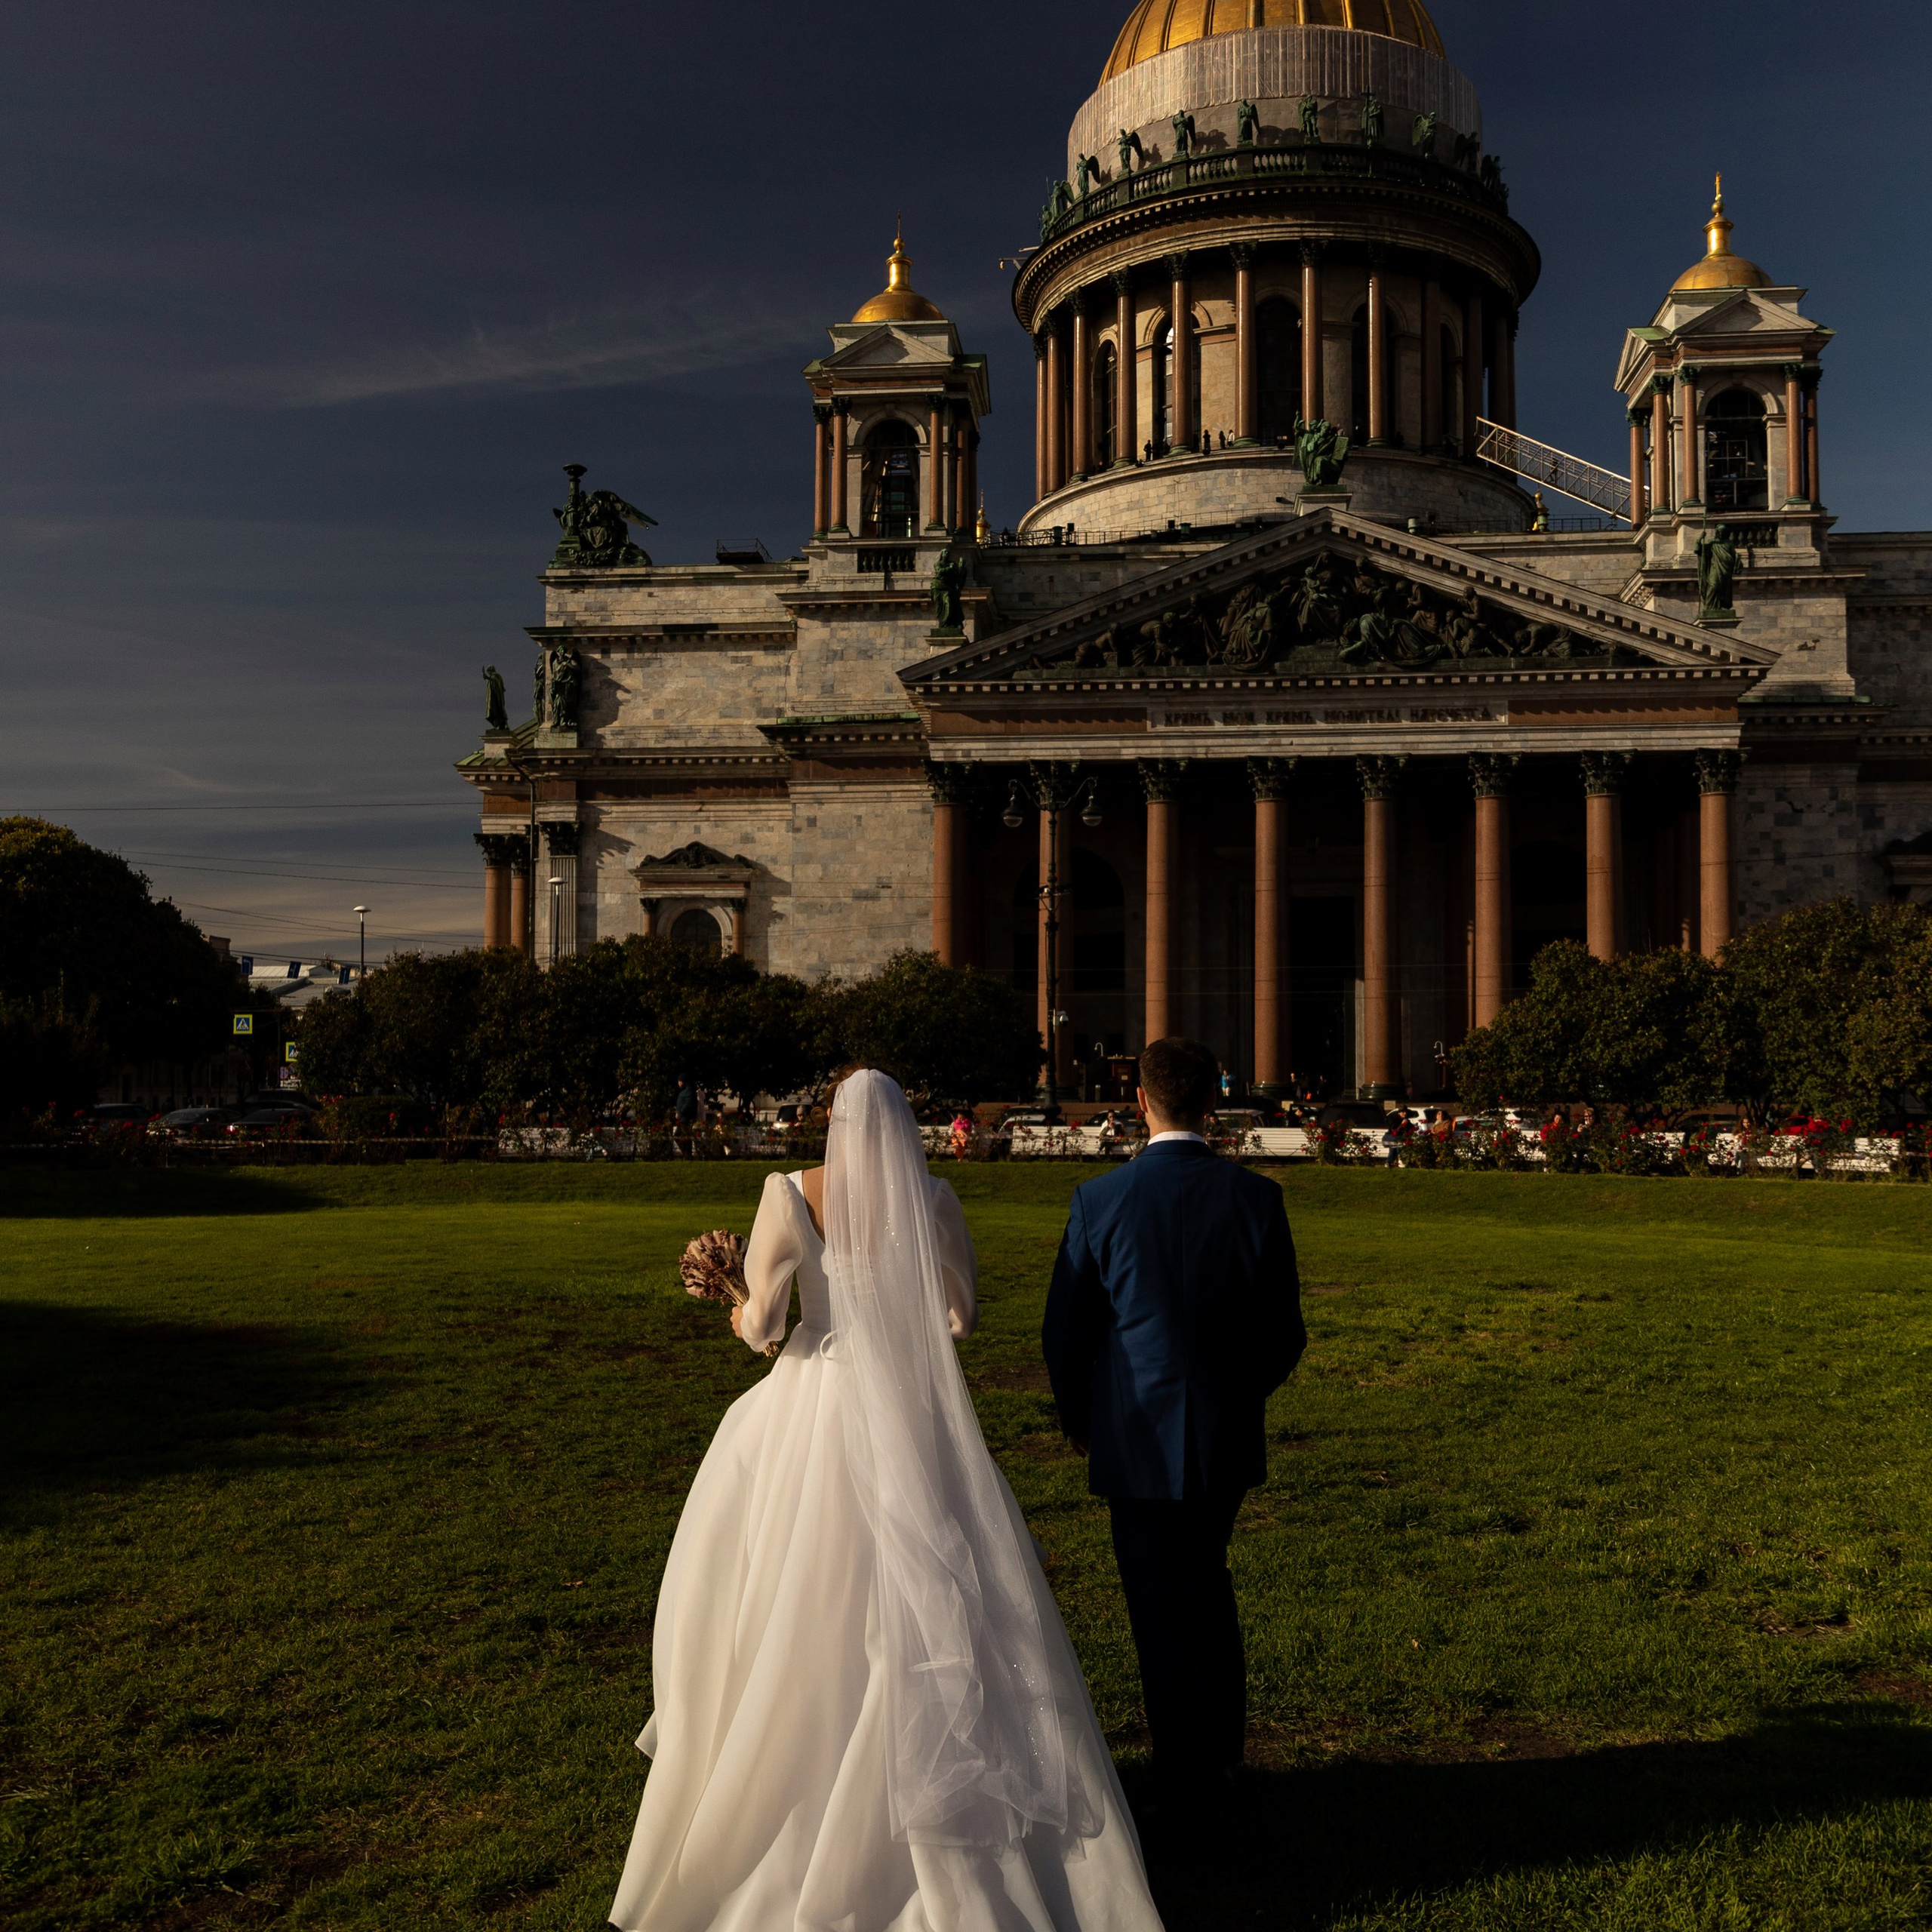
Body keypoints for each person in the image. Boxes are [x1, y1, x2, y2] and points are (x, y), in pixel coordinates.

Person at [610, 1069, 1162, 1932]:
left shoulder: (789, 1192)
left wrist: (729, 1300)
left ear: (831, 1121)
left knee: (797, 1586)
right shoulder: (932, 1192)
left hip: (812, 1402)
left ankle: (787, 1770)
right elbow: (958, 1319)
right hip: (908, 1408)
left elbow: (764, 1329)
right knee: (941, 1592)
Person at [1042, 1037, 1306, 1823]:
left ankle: (1178, 1769)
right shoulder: (1256, 1198)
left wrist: (1082, 1420)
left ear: (1139, 1105)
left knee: (1156, 1602)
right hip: (1221, 1435)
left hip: (1132, 1435)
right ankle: (1217, 1755)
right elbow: (1283, 1332)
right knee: (1210, 1587)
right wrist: (1234, 1394)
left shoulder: (1099, 1200)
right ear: (1211, 1104)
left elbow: (1065, 1333)